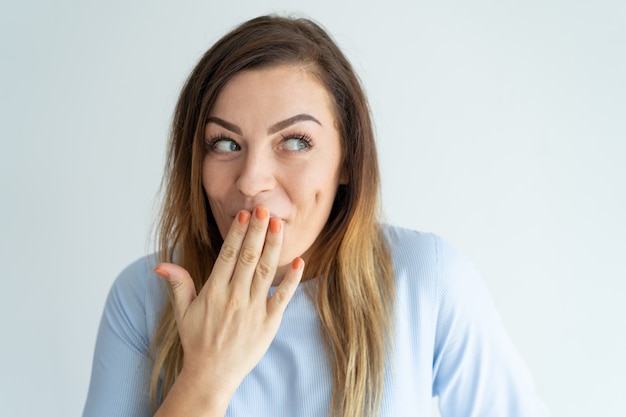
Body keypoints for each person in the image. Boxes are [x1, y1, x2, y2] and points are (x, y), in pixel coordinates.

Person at [82, 15, 550, 417]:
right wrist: (206, 378)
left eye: (295, 141)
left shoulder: (427, 279)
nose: (251, 180)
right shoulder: (142, 295)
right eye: (225, 143)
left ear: (347, 160)